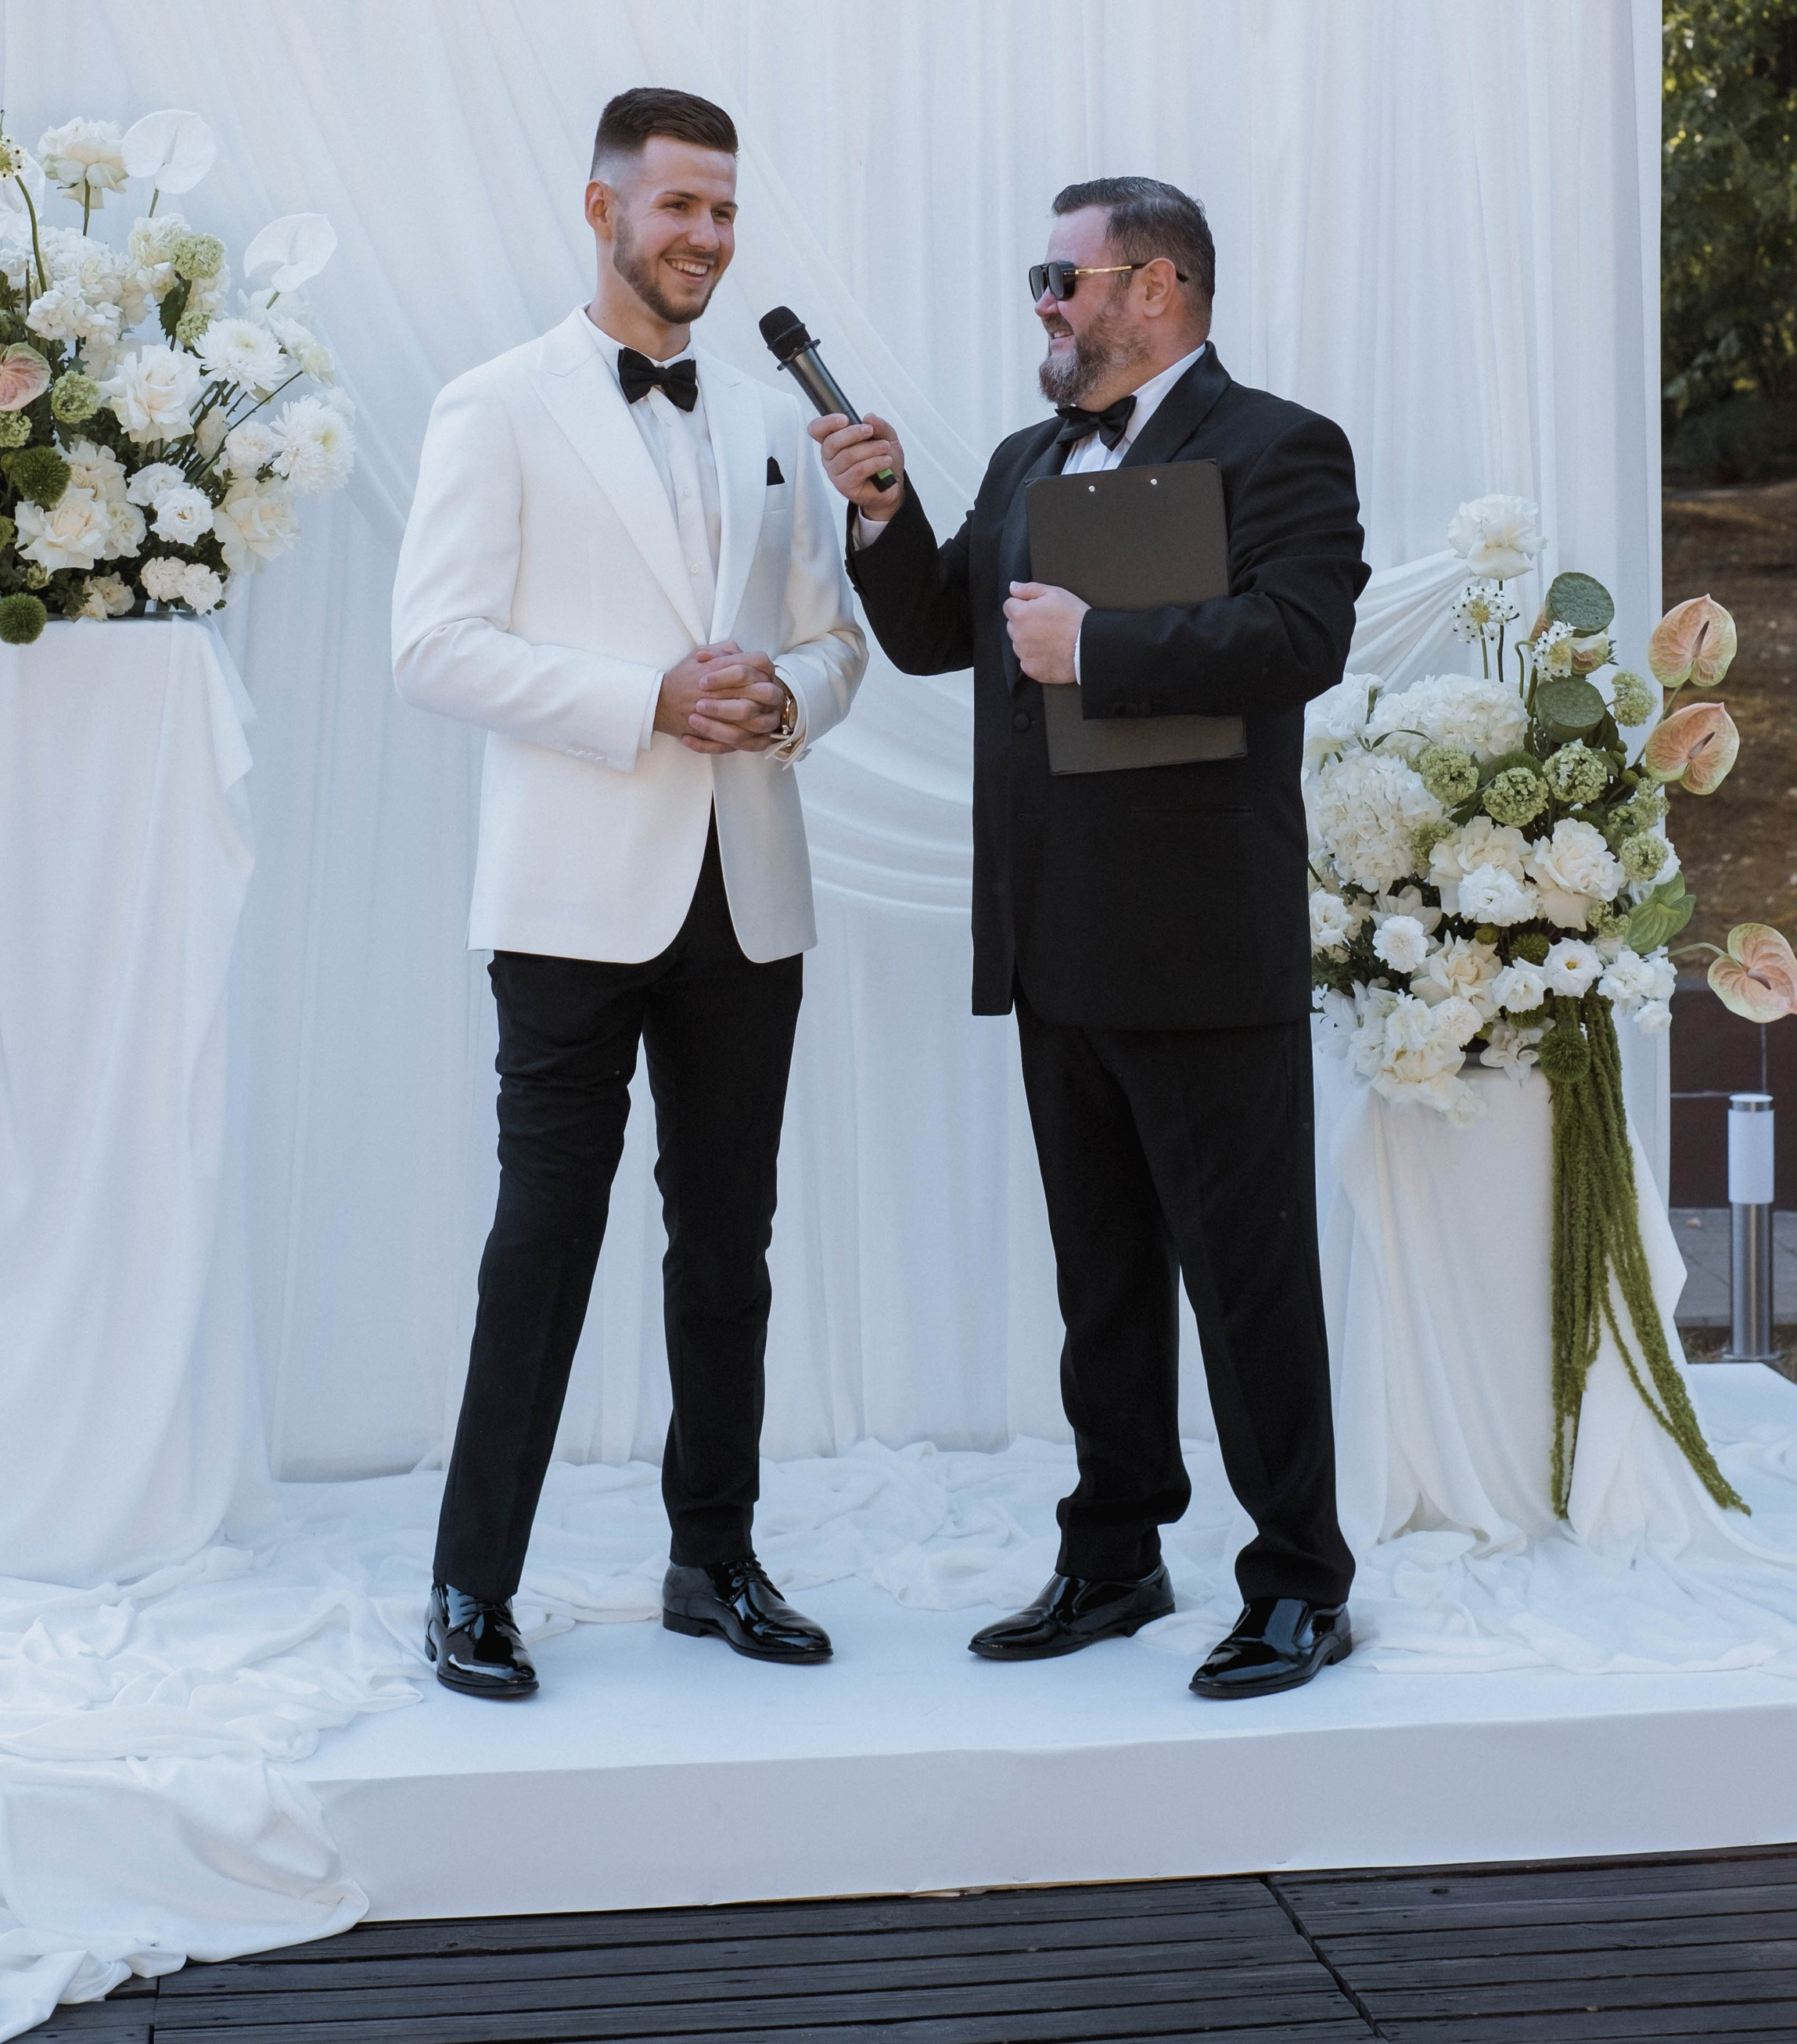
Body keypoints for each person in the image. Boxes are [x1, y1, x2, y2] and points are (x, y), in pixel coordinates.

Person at [814, 177, 1368, 1701]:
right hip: (1054, 940)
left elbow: (1299, 640)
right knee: (1102, 1277)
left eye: (1059, 278)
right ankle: (1113, 1551)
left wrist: (1100, 647)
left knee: (1246, 1278)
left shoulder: (1276, 447)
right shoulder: (1024, 457)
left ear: (1159, 285)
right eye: (1038, 280)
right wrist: (885, 515)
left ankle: (1297, 1581)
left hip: (1201, 947)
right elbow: (938, 631)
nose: (1041, 304)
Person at [394, 87, 867, 1699]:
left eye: (726, 212)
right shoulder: (494, 403)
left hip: (746, 889)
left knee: (727, 1243)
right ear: (601, 211)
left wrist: (783, 699)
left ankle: (711, 1554)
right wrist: (644, 700)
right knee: (541, 1240)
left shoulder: (761, 420)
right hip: (570, 897)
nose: (708, 239)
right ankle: (471, 1584)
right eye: (679, 208)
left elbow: (835, 638)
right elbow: (433, 643)